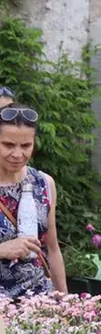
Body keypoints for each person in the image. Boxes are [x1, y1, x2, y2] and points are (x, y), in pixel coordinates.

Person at [0, 104, 68, 297]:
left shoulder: (44, 183)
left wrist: (66, 302)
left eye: (26, 146)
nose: (17, 154)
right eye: (8, 145)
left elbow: (52, 248)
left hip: (38, 304)